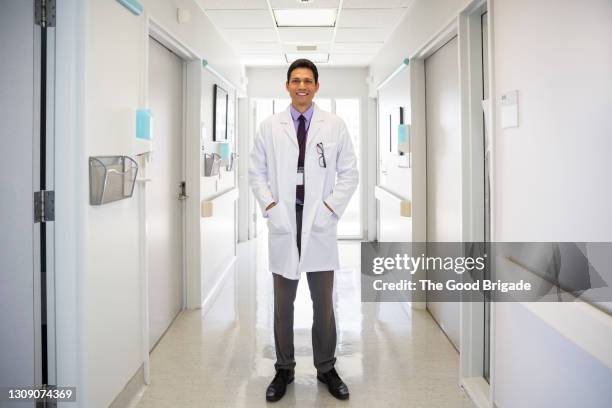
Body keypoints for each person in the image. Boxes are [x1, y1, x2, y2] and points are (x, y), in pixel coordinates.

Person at [249, 59, 359, 402]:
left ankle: (326, 367)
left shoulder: (335, 125)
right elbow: (256, 173)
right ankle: (284, 369)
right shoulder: (270, 126)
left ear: (316, 86)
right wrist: (270, 208)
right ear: (286, 85)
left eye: (308, 81)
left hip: (319, 223)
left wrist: (329, 210)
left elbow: (350, 174)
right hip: (284, 220)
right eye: (295, 80)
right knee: (283, 304)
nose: (301, 86)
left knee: (324, 302)